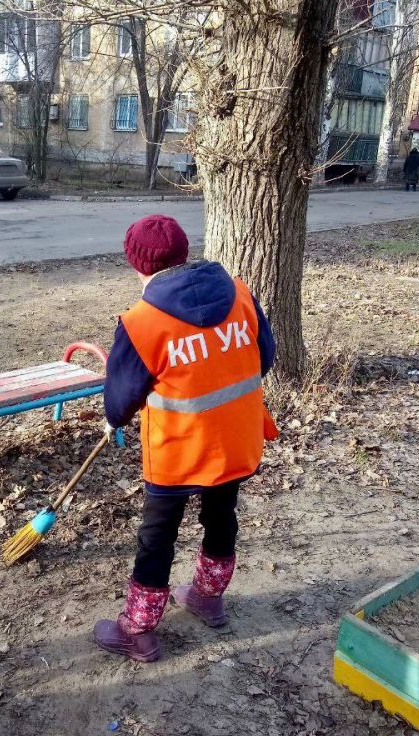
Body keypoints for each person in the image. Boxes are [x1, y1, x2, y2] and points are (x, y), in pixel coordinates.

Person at [94, 214, 276, 662]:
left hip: (177, 454)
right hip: (235, 440)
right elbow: (264, 358)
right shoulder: (240, 295)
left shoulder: (142, 324)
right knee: (221, 518)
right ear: (183, 253)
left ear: (136, 264)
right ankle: (208, 596)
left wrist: (113, 417)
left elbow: (120, 400)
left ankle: (137, 629)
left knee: (157, 537)